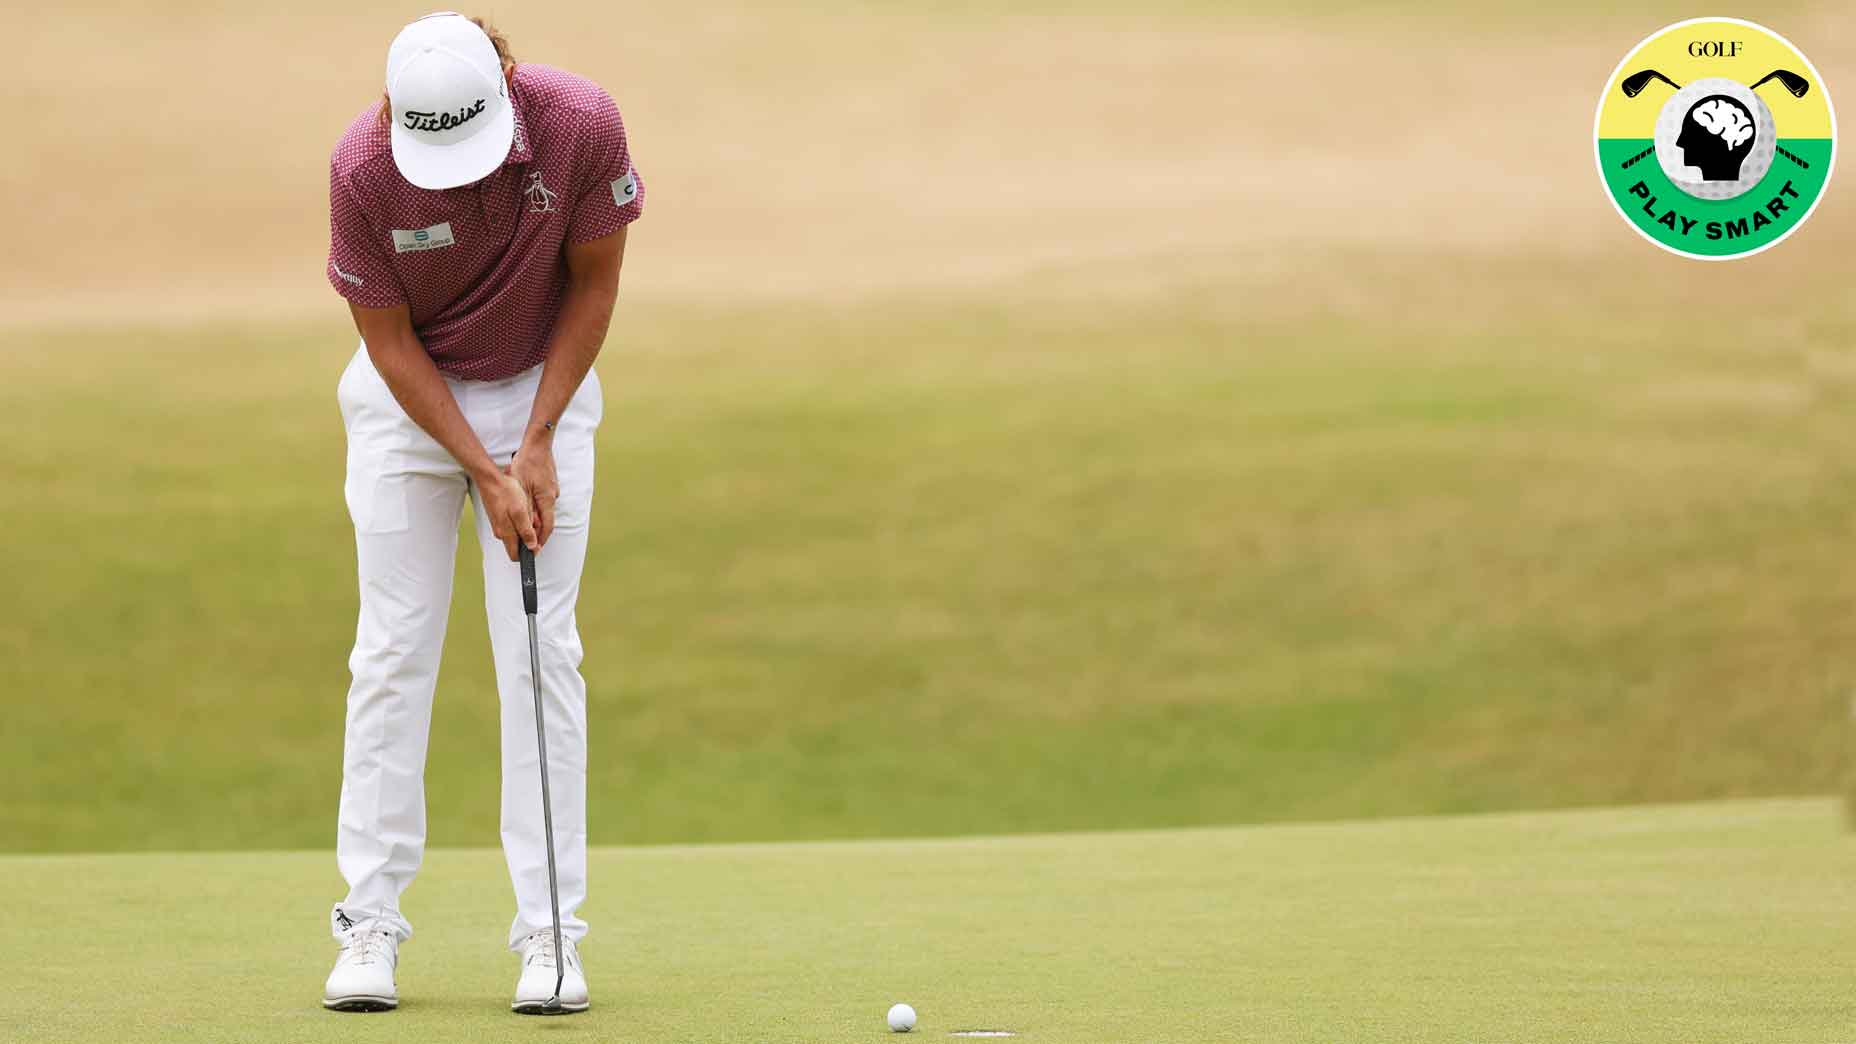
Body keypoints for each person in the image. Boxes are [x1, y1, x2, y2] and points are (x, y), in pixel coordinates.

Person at [318, 10, 642, 1015]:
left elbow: (594, 285)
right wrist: (482, 467)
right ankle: (368, 924)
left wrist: (534, 442)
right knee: (393, 652)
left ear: (506, 80)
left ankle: (549, 934)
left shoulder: (581, 121)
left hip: (541, 390)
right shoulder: (363, 172)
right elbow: (389, 344)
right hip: (407, 409)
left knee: (540, 655)